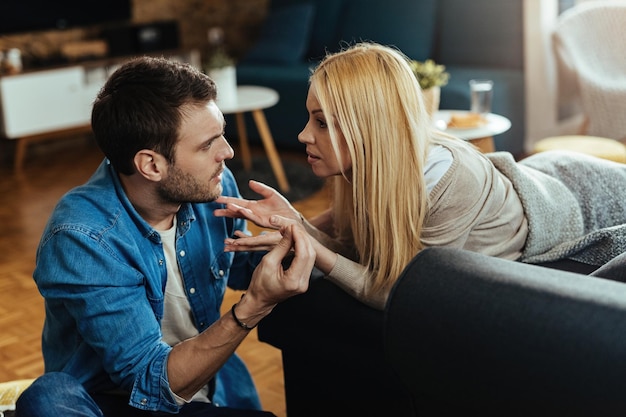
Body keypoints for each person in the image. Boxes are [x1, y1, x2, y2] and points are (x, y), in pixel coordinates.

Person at [214, 42, 626, 311]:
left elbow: (403, 294)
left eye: (322, 123)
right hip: (542, 174)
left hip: (584, 196)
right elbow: (357, 251)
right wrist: (295, 222)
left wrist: (308, 242)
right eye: (310, 118)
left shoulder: (447, 180)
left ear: (369, 126)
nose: (303, 134)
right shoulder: (368, 166)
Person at [15, 56, 315, 417]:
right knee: (46, 397)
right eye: (207, 144)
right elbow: (149, 380)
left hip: (202, 386)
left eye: (221, 132)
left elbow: (239, 267)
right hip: (117, 400)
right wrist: (252, 308)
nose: (228, 152)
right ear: (151, 165)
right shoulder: (84, 238)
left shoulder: (211, 187)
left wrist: (295, 229)